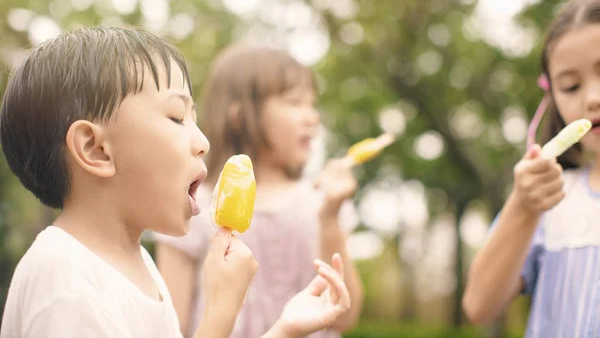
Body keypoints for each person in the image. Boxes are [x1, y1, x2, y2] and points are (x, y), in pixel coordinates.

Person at [0, 26, 350, 338]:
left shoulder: (136, 266)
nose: (203, 142)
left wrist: (285, 329)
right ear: (96, 149)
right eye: (176, 117)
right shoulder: (67, 285)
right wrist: (220, 311)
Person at [154, 44, 364, 338]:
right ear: (239, 115)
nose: (312, 117)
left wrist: (330, 218)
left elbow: (345, 316)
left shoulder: (321, 202)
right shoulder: (193, 204)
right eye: (295, 103)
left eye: (312, 105)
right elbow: (171, 327)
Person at [463, 0, 600, 337]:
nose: (592, 98)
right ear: (552, 98)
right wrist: (523, 208)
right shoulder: (550, 200)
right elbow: (479, 305)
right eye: (570, 86)